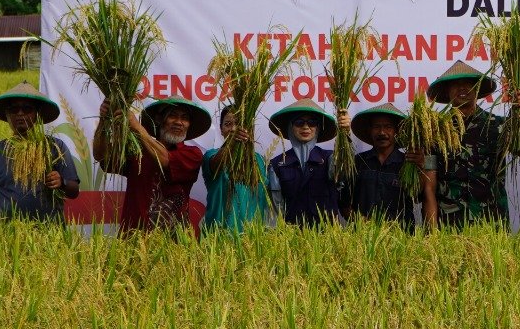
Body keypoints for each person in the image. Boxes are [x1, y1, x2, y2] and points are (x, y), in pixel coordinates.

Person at [425, 60, 520, 229]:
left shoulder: (498, 126)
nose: (462, 88)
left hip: (491, 224)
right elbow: (429, 185)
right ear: (447, 91)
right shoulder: (434, 132)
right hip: (449, 226)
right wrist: (432, 233)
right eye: (456, 85)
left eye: (469, 84)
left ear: (478, 90)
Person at [95, 95, 209, 233]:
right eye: (172, 115)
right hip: (134, 239)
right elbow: (101, 156)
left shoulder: (193, 154)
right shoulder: (137, 150)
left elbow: (164, 159)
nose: (179, 122)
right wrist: (104, 120)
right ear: (159, 119)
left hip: (174, 244)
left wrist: (136, 127)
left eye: (185, 118)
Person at [0, 82, 80, 223]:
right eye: (14, 110)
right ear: (7, 115)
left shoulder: (54, 147)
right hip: (9, 236)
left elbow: (74, 191)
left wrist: (61, 182)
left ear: (38, 114)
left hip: (49, 234)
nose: (20, 114)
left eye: (27, 109)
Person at [345, 105, 438, 230]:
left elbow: (419, 195)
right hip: (362, 238)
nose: (382, 132)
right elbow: (344, 202)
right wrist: (360, 222)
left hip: (401, 238)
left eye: (388, 127)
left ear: (397, 132)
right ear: (370, 131)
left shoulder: (409, 163)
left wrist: (422, 166)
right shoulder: (358, 162)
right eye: (377, 127)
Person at [267, 99, 342, 226]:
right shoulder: (277, 164)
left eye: (312, 122)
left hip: (327, 236)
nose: (306, 127)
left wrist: (345, 135)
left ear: (318, 128)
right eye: (299, 122)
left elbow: (344, 172)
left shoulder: (329, 157)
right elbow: (276, 208)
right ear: (290, 127)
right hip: (291, 236)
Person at [200, 106, 271, 234]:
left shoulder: (260, 160)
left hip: (252, 239)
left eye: (238, 124)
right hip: (219, 236)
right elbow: (217, 164)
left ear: (249, 128)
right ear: (221, 130)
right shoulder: (211, 155)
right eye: (228, 124)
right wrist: (232, 144)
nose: (233, 129)